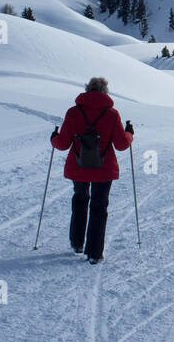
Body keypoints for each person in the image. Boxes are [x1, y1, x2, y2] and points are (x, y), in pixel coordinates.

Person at [50, 77, 134, 263]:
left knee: (80, 201)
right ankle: (94, 253)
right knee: (99, 207)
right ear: (105, 91)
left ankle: (77, 242)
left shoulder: (73, 112)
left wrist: (54, 138)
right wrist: (129, 133)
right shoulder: (112, 114)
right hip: (103, 169)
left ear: (87, 90)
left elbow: (62, 144)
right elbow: (121, 144)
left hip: (78, 167)